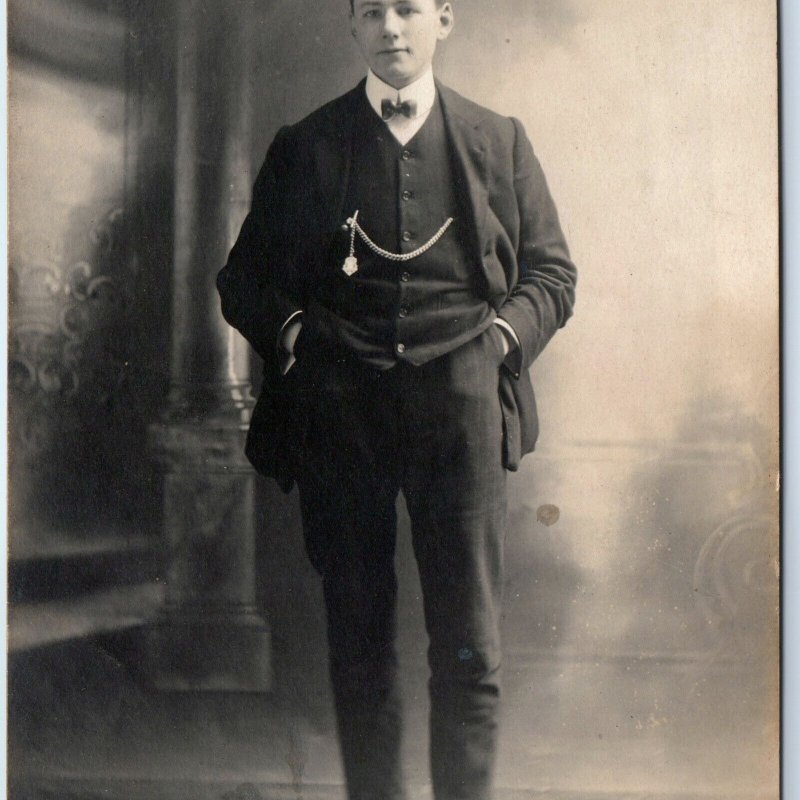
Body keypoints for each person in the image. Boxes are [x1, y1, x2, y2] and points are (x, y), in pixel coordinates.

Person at [217, 1, 576, 797]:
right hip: (343, 417)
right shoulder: (304, 146)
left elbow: (552, 275)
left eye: (408, 7)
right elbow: (241, 280)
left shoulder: (499, 140)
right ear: (351, 26)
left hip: (462, 414)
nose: (391, 25)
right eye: (371, 9)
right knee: (360, 644)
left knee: (471, 649)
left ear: (444, 19)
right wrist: (299, 337)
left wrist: (496, 346)